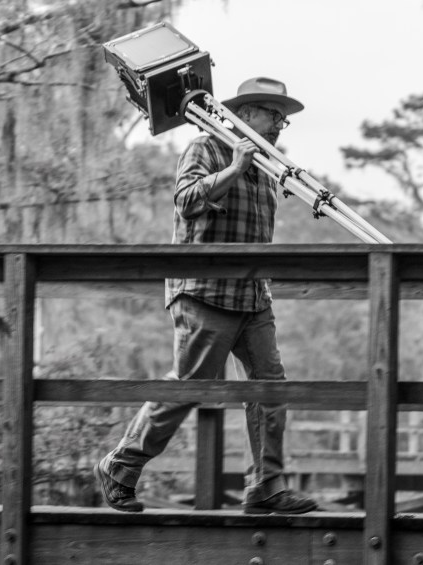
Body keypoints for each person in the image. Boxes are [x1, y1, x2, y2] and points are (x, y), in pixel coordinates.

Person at [94, 77, 318, 515]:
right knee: (190, 387)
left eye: (283, 120)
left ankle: (266, 486)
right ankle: (120, 466)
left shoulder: (271, 166)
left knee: (271, 386)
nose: (278, 125)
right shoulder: (206, 147)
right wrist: (233, 169)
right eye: (273, 114)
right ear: (246, 113)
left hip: (253, 295)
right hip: (205, 290)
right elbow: (186, 200)